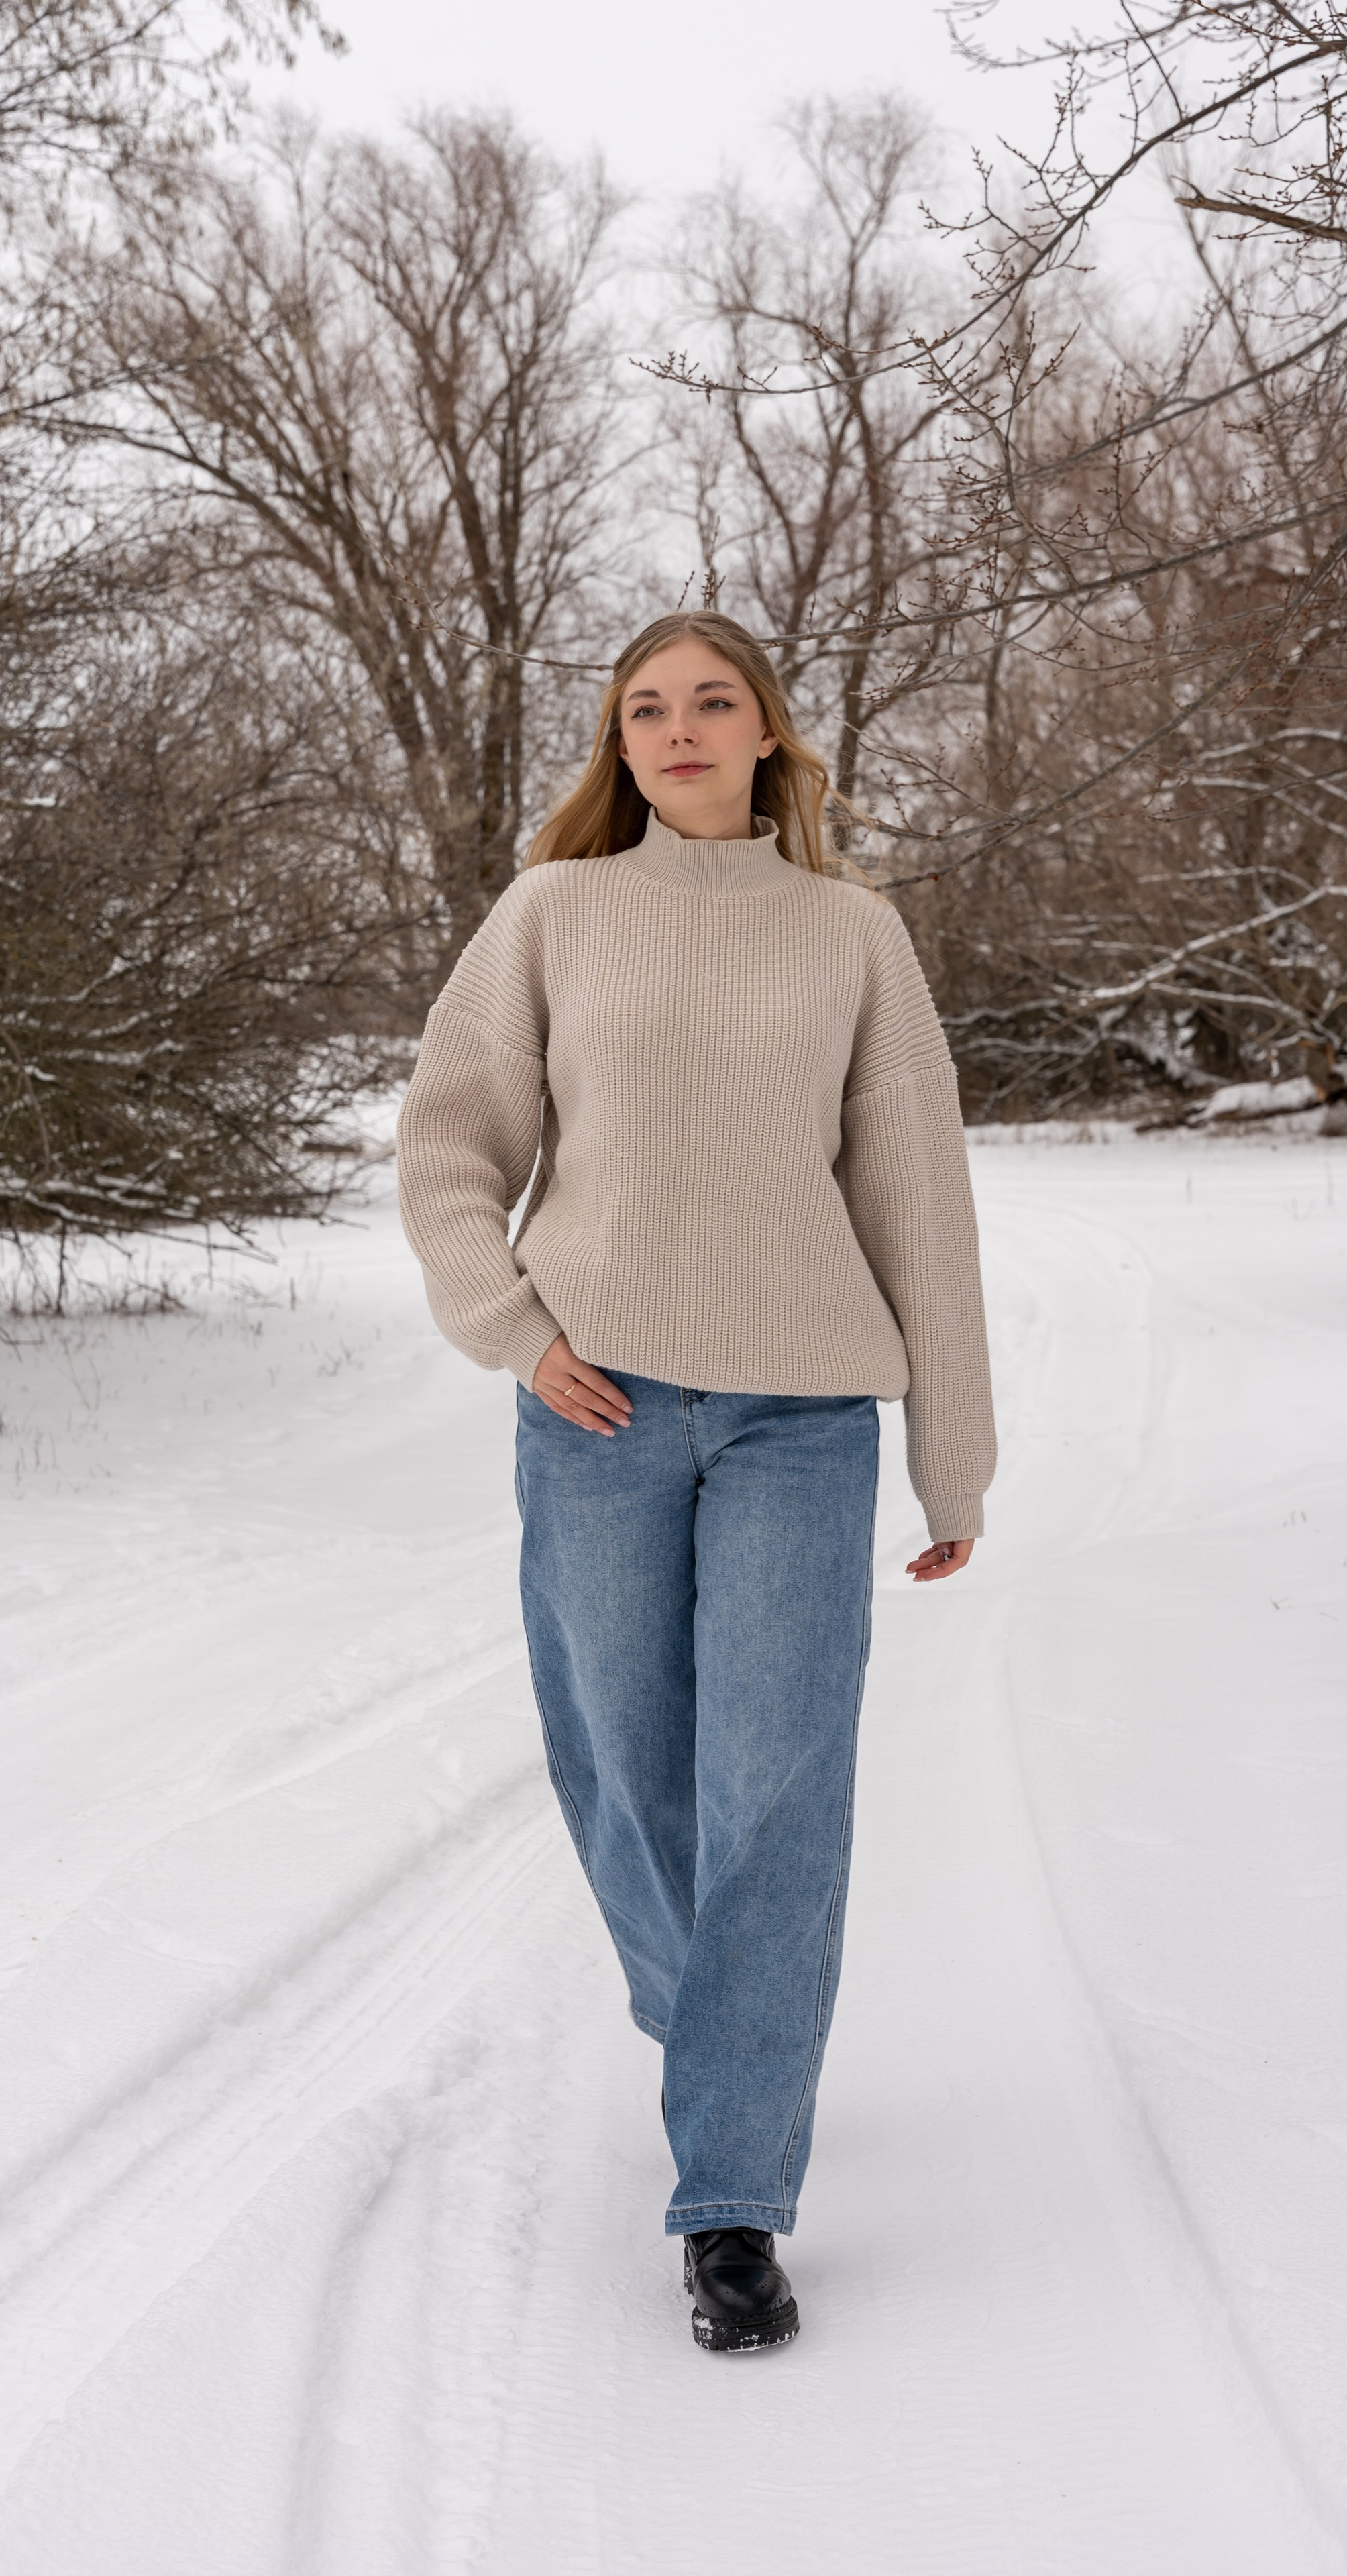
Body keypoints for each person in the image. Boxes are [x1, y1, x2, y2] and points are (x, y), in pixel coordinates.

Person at [396, 611, 995, 2354]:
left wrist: (952, 1456)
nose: (675, 728)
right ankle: (716, 2016)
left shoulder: (851, 936)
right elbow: (451, 1144)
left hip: (804, 1413)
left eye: (709, 702)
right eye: (643, 707)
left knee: (778, 1791)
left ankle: (731, 2195)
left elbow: (920, 1204)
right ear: (619, 742)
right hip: (596, 1406)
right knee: (627, 1768)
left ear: (767, 736)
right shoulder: (553, 916)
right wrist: (510, 1324)